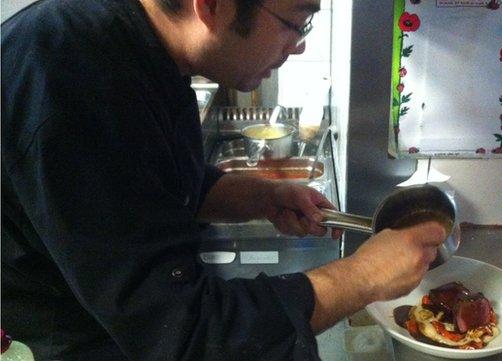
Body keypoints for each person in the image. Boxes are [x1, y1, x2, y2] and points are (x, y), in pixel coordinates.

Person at [0, 0, 448, 360]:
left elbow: (155, 188)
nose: (299, 46)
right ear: (211, 6)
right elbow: (184, 331)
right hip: (91, 335)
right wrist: (362, 276)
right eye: (295, 22)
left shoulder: (145, 53)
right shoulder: (72, 78)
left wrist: (262, 197)